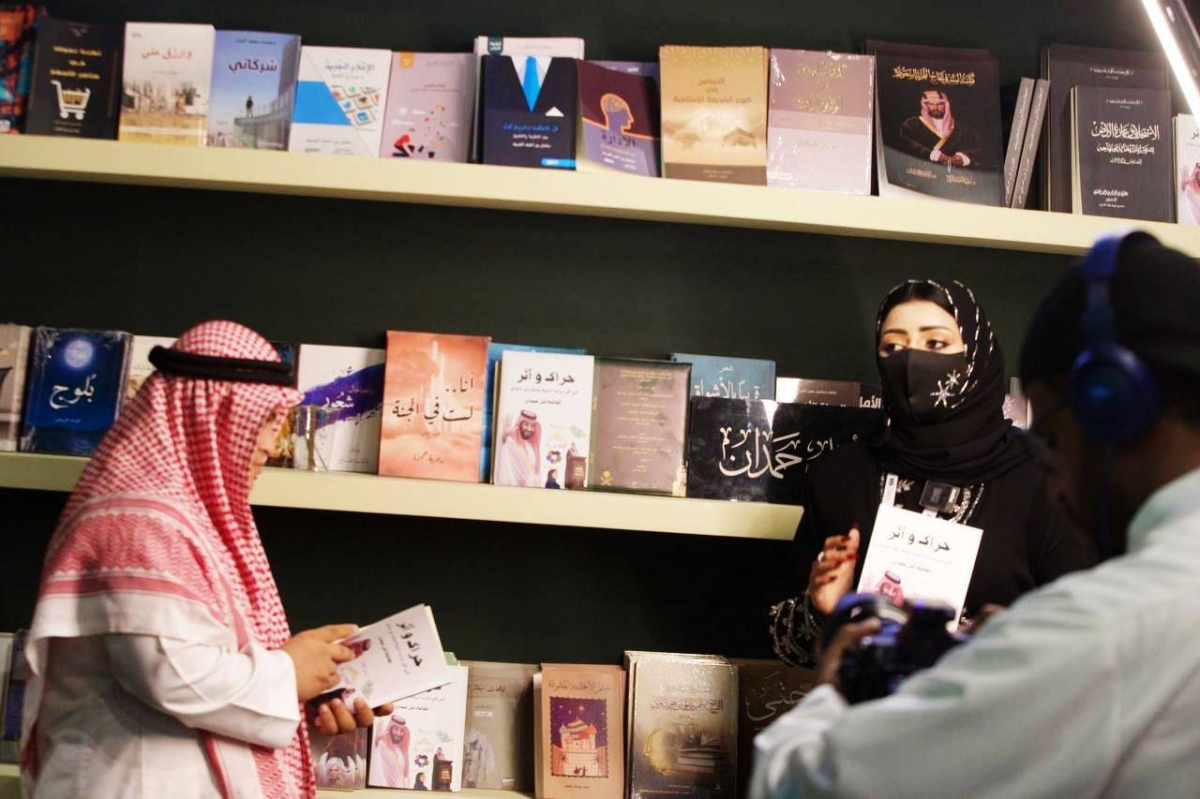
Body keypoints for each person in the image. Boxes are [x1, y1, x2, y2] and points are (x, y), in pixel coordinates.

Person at [750, 231, 1200, 797]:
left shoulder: (1102, 626)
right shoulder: (841, 474)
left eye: (1053, 435)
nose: (1060, 483)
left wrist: (836, 685)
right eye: (892, 346)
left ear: (1111, 406)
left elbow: (806, 784)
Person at [20, 321, 388, 798]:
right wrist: (288, 675)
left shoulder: (188, 517)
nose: (268, 445)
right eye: (260, 421)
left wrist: (313, 693)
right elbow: (171, 675)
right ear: (207, 414)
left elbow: (208, 669)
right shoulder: (136, 518)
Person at [769, 279, 1095, 666]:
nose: (911, 361)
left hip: (999, 701)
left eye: (936, 343)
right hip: (867, 703)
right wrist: (822, 610)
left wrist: (983, 641)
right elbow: (786, 646)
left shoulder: (1041, 477)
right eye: (893, 347)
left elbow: (1087, 636)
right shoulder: (840, 474)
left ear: (976, 354)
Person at [899, 89, 983, 169]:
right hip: (923, 170)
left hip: (955, 174)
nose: (935, 107)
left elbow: (977, 148)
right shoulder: (912, 124)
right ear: (925, 105)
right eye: (930, 104)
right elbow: (904, 144)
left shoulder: (963, 128)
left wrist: (964, 157)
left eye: (939, 104)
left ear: (946, 105)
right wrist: (933, 155)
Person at [494, 409, 541, 486]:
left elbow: (535, 473)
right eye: (526, 424)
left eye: (532, 426)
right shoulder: (511, 442)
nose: (529, 429)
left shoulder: (532, 448)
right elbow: (502, 444)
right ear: (520, 424)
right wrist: (504, 436)